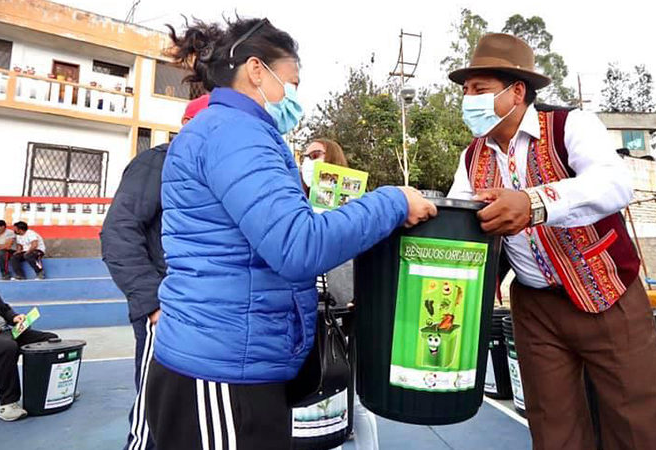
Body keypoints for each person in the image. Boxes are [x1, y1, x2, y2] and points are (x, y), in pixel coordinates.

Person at [145, 17, 436, 450]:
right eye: (292, 82)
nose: (295, 96)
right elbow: (298, 245)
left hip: (236, 359)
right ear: (257, 70)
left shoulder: (234, 131)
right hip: (222, 369)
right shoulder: (236, 134)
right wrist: (393, 202)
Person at [447, 33, 656, 449]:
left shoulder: (571, 126)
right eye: (465, 92)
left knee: (636, 420)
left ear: (516, 91)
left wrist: (533, 202)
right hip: (534, 307)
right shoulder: (471, 157)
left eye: (479, 90)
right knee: (551, 426)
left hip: (606, 295)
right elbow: (461, 223)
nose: (468, 100)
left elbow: (614, 184)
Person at [101, 93, 209, 450]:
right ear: (188, 124)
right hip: (164, 312)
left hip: (203, 312)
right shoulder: (156, 163)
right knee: (155, 415)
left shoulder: (208, 169)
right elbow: (118, 232)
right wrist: (152, 305)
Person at [300, 138, 380, 450]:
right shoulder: (298, 200)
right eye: (305, 156)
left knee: (353, 396)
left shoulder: (359, 204)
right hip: (310, 310)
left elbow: (370, 253)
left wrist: (362, 293)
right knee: (315, 392)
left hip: (347, 308)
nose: (310, 162)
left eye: (316, 155)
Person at [0, 251, 57, 421]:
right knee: (7, 348)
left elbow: (3, 309)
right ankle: (8, 403)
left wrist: (15, 317)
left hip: (4, 331)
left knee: (49, 339)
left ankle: (50, 390)